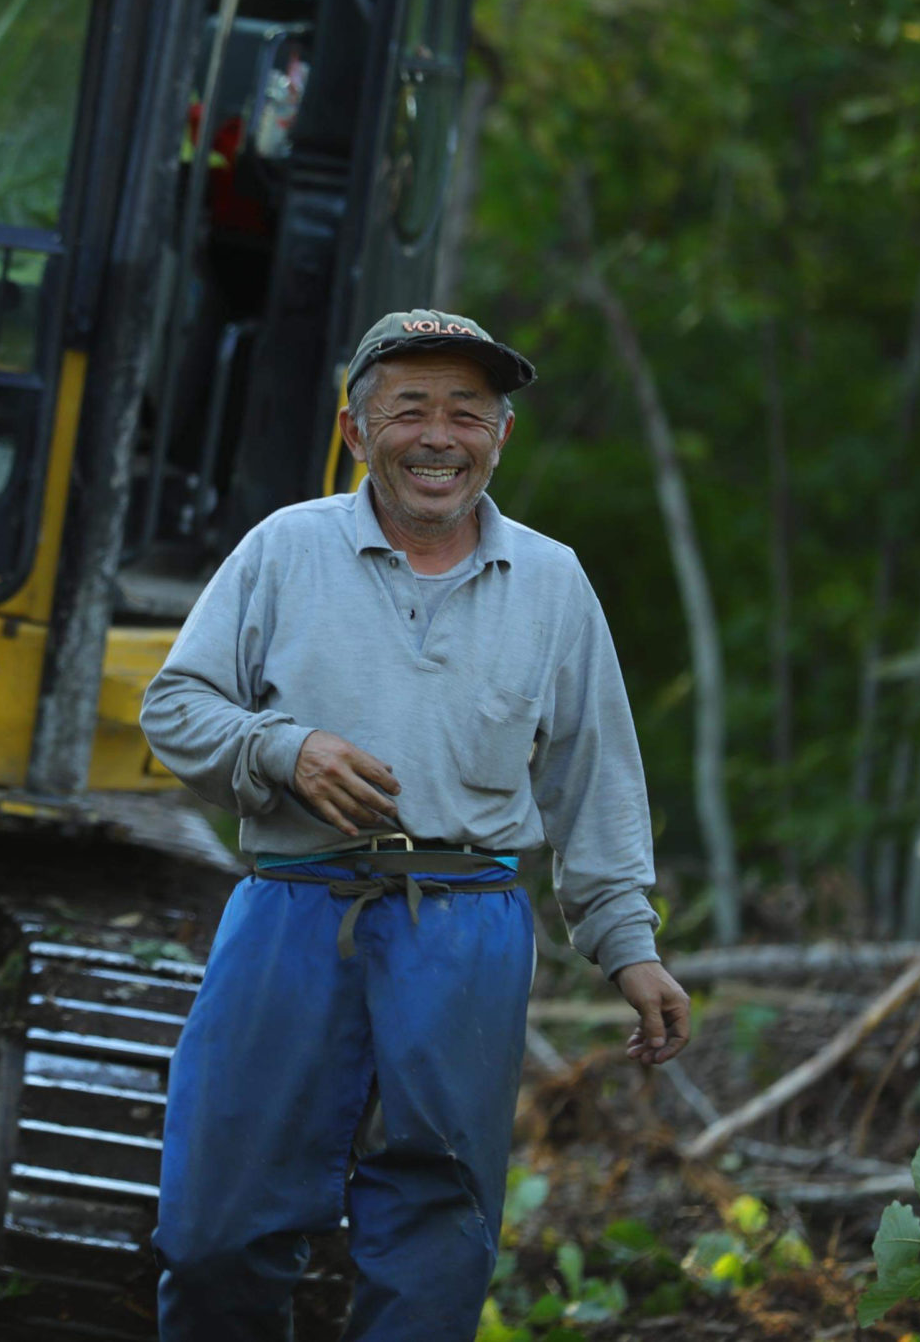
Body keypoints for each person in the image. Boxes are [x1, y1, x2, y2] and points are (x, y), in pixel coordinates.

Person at [140, 308, 694, 1340]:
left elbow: (593, 773)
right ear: (355, 431)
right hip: (293, 909)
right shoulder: (285, 550)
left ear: (501, 435)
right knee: (219, 1223)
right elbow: (174, 706)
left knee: (437, 1234)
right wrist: (283, 748)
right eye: (410, 410)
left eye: (466, 412)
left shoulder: (552, 582)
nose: (439, 436)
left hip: (464, 924)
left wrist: (629, 944)